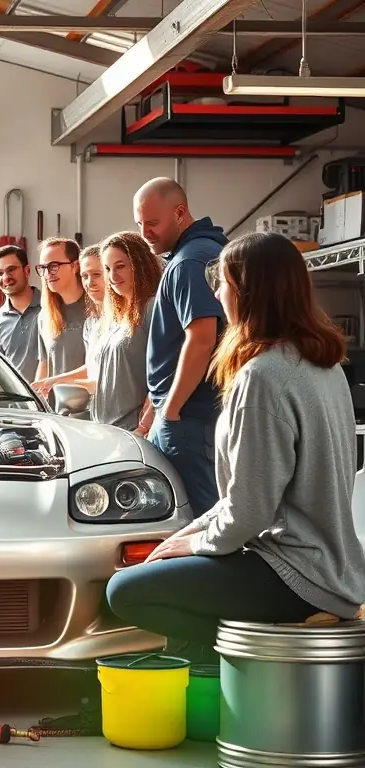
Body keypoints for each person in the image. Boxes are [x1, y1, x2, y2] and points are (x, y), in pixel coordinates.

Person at [106, 232, 365, 664]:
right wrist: (184, 537)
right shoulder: (324, 364)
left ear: (247, 292)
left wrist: (191, 545)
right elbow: (246, 499)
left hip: (293, 574)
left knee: (125, 592)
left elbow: (249, 511)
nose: (216, 293)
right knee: (166, 559)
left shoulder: (261, 377)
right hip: (334, 570)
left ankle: (260, 653)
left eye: (223, 283)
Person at [135, 177, 227, 518]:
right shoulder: (200, 253)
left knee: (202, 523)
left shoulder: (190, 261)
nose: (145, 232)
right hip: (189, 417)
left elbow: (202, 338)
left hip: (188, 418)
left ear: (180, 213)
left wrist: (170, 410)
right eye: (139, 223)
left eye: (153, 223)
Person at [86, 232, 163, 434]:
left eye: (120, 267)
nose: (112, 277)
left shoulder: (152, 308)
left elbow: (166, 369)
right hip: (105, 431)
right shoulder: (112, 317)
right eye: (107, 269)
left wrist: (145, 425)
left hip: (134, 432)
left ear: (139, 265)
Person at [31, 238, 90, 399]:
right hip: (57, 413)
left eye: (54, 266)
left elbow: (98, 367)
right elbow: (44, 365)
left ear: (75, 266)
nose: (47, 274)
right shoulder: (44, 316)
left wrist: (54, 381)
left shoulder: (96, 309)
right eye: (43, 267)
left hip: (91, 411)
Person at [0, 245, 41, 382]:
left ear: (27, 271)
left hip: (56, 402)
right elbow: (1, 373)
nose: (6, 277)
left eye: (11, 269)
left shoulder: (51, 308)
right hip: (20, 403)